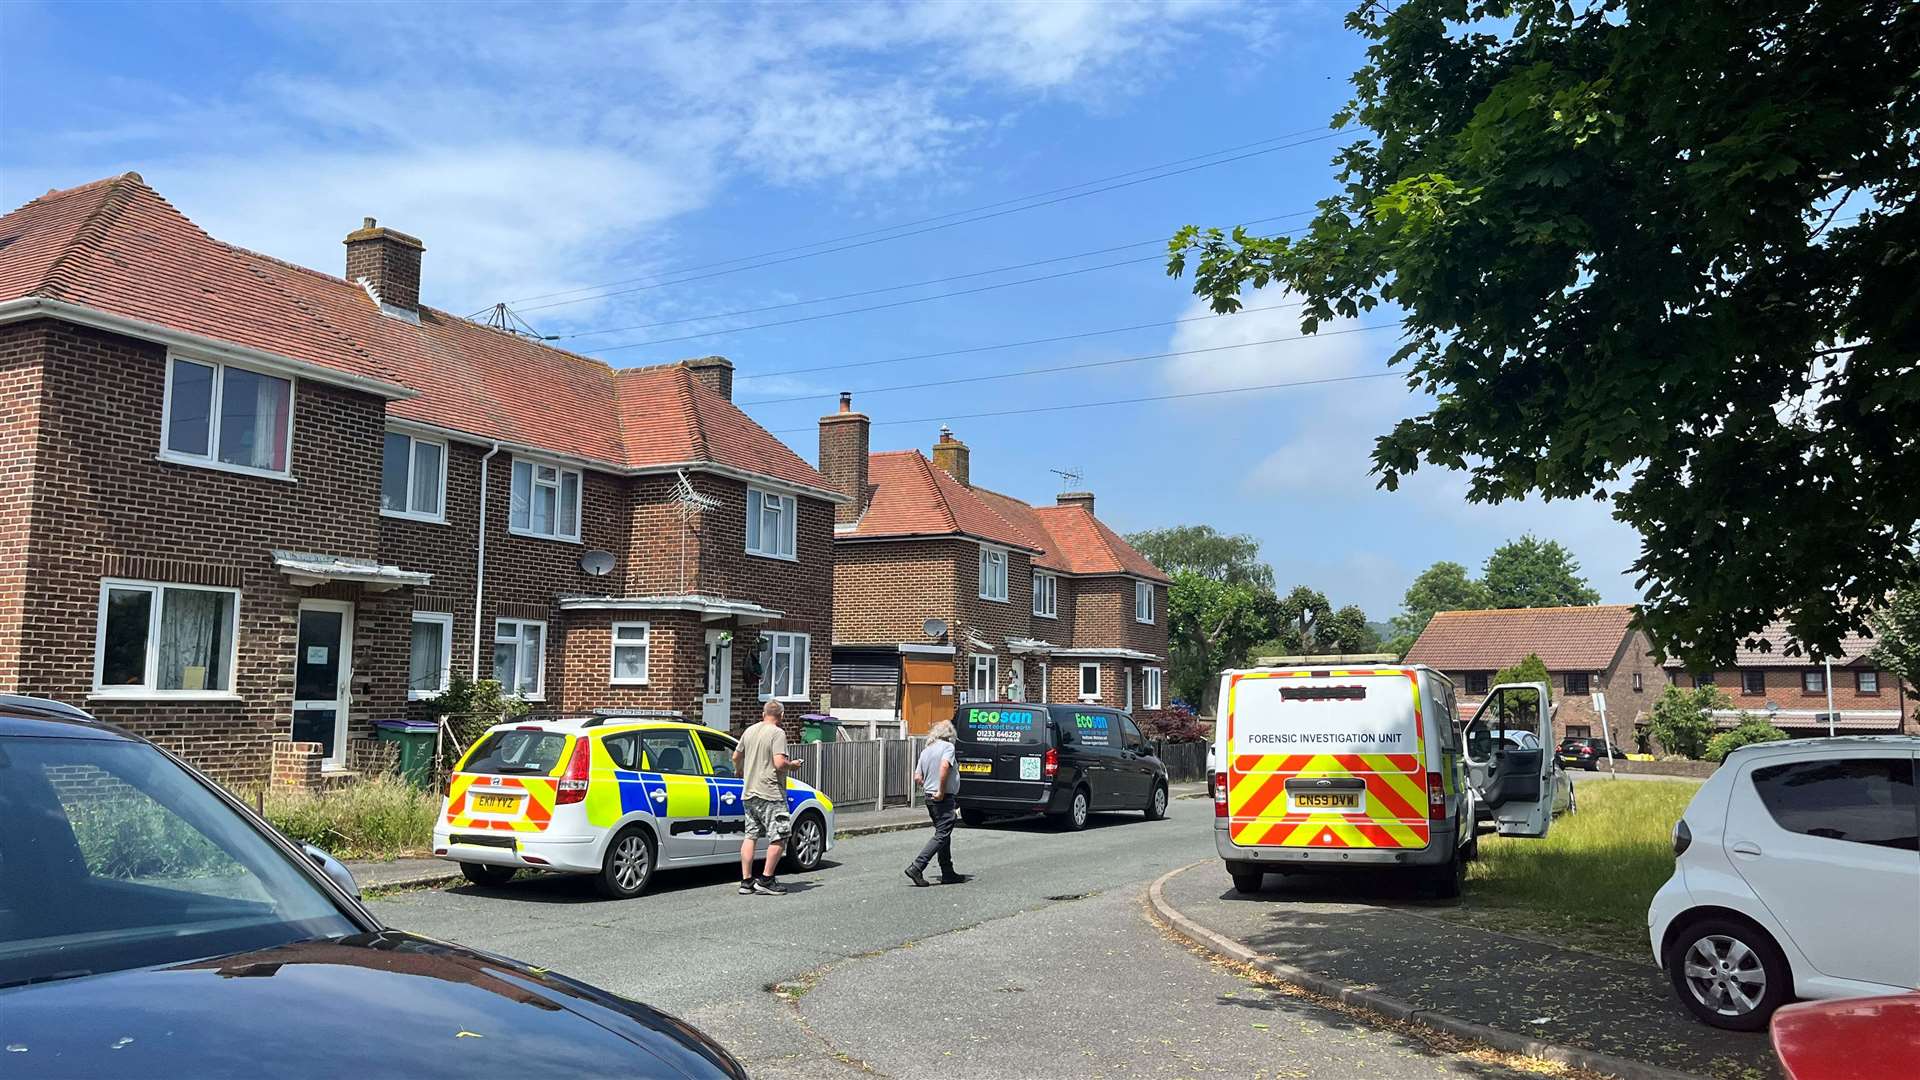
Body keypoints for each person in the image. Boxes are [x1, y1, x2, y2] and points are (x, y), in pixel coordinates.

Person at [732, 699, 800, 895]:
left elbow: (736, 757)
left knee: (750, 835)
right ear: (782, 716)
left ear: (763, 714)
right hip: (770, 793)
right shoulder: (777, 733)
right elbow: (779, 763)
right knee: (780, 835)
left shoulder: (750, 731)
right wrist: (792, 765)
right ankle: (766, 879)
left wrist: (740, 771)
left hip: (749, 792)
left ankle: (746, 881)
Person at [905, 719, 967, 887]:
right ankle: (917, 866)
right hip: (942, 797)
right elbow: (944, 767)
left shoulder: (927, 749)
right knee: (942, 834)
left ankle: (947, 872)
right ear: (949, 735)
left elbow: (917, 776)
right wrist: (940, 790)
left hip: (929, 797)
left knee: (943, 834)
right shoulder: (948, 747)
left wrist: (929, 786)